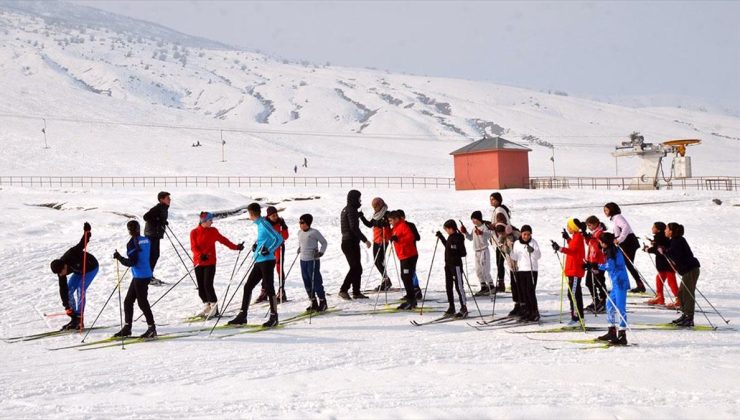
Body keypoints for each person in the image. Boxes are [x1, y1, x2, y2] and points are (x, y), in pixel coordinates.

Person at [227, 203, 284, 327]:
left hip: (267, 261)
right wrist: (256, 245)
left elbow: (279, 239)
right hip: (259, 260)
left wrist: (269, 249)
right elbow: (264, 239)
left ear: (251, 213)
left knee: (269, 288)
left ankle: (274, 317)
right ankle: (243, 315)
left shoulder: (263, 223)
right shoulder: (260, 224)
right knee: (248, 287)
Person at [190, 212, 243, 319]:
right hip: (198, 262)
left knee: (207, 284)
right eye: (210, 220)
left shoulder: (213, 231)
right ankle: (207, 305)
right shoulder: (194, 232)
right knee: (200, 286)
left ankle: (214, 307)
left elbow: (224, 240)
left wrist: (236, 247)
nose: (212, 222)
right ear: (203, 221)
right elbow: (193, 247)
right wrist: (200, 256)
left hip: (210, 262)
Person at [49, 222, 98, 330]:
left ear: (64, 265)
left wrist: (87, 232)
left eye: (62, 272)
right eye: (59, 274)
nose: (62, 275)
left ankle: (80, 318)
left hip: (91, 268)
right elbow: (63, 289)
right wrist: (67, 306)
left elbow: (82, 243)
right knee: (69, 290)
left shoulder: (71, 254)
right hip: (79, 272)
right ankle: (75, 318)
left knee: (81, 289)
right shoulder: (60, 271)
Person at [113, 220, 157, 338]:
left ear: (129, 231)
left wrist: (119, 258)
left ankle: (152, 329)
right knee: (128, 301)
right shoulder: (146, 240)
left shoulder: (132, 243)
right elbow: (152, 255)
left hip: (140, 276)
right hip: (145, 274)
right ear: (139, 228)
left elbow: (131, 262)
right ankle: (127, 328)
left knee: (142, 302)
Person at [660, 223, 701, 327]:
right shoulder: (674, 241)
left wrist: (665, 252)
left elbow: (676, 256)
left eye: (666, 229)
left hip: (690, 269)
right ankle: (685, 315)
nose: (665, 230)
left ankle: (689, 317)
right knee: (681, 293)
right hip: (687, 270)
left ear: (671, 231)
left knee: (688, 293)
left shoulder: (677, 241)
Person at [593, 232, 629, 345]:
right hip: (616, 283)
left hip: (620, 283)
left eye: (600, 242)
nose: (599, 243)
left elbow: (610, 266)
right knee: (609, 304)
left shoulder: (611, 251)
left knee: (620, 308)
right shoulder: (610, 250)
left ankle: (622, 335)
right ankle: (612, 331)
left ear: (604, 243)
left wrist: (596, 266)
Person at [604, 202, 645, 293]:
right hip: (625, 242)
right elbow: (618, 231)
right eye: (604, 210)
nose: (605, 212)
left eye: (606, 210)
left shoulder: (618, 217)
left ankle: (639, 284)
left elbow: (625, 227)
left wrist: (620, 239)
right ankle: (637, 284)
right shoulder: (615, 219)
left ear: (612, 210)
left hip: (629, 242)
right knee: (627, 264)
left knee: (628, 263)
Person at [551, 218, 585, 326]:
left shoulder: (578, 237)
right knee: (572, 294)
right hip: (571, 269)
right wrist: (568, 238)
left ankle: (577, 318)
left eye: (569, 226)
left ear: (574, 227)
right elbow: (573, 246)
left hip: (575, 270)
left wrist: (560, 248)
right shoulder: (575, 236)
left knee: (573, 294)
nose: (568, 228)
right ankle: (576, 316)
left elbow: (573, 251)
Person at [338, 190, 372, 300]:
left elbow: (350, 222)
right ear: (354, 198)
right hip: (350, 242)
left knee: (358, 268)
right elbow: (353, 228)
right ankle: (343, 290)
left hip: (349, 242)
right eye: (358, 198)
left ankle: (356, 292)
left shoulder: (347, 209)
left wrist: (358, 215)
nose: (360, 200)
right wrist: (365, 240)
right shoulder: (351, 210)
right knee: (355, 267)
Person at [255, 206, 290, 304]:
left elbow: (285, 236)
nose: (275, 217)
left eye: (276, 215)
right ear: (268, 216)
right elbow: (261, 236)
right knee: (265, 269)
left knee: (279, 268)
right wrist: (257, 244)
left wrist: (284, 228)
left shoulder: (280, 222)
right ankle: (264, 290)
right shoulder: (265, 223)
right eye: (273, 215)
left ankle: (281, 291)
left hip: (279, 248)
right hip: (268, 249)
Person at [435, 220, 468, 318]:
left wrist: (455, 250)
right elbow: (448, 246)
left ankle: (464, 307)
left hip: (456, 266)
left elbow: (463, 253)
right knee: (448, 286)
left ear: (451, 228)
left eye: (446, 229)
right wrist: (441, 237)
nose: (446, 231)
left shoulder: (459, 237)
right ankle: (451, 306)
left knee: (459, 287)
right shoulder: (450, 237)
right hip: (448, 265)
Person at [359, 197, 393, 291]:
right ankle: (385, 280)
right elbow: (370, 224)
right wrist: (361, 217)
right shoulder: (376, 215)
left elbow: (389, 223)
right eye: (374, 206)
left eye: (376, 206)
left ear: (381, 204)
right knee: (377, 261)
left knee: (379, 261)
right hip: (376, 240)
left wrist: (384, 223)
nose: (375, 208)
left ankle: (386, 280)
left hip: (383, 240)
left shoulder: (386, 213)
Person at [296, 214, 328, 312]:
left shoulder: (314, 232)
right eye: (300, 222)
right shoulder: (299, 232)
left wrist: (320, 252)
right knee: (306, 281)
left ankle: (323, 302)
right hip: (303, 260)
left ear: (308, 223)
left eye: (302, 222)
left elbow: (324, 242)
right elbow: (301, 243)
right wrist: (300, 248)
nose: (300, 224)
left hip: (313, 260)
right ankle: (313, 302)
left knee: (315, 280)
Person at [509, 225, 541, 321]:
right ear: (521, 234)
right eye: (524, 234)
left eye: (528, 234)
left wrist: (533, 251)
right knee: (523, 292)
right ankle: (527, 311)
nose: (526, 236)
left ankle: (534, 311)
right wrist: (509, 252)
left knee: (530, 292)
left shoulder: (533, 242)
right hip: (521, 270)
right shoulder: (517, 243)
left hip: (531, 270)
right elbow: (514, 257)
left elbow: (538, 255)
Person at [388, 210, 419, 310]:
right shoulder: (396, 227)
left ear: (397, 219)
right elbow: (391, 235)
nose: (390, 222)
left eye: (391, 220)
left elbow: (411, 237)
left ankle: (411, 300)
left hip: (409, 255)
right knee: (405, 277)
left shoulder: (403, 225)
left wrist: (398, 239)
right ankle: (411, 299)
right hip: (403, 256)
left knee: (407, 277)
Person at [644, 222, 678, 306]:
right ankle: (660, 297)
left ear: (658, 229)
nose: (652, 228)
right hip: (663, 263)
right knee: (659, 279)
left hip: (667, 263)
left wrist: (648, 249)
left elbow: (658, 250)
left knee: (671, 281)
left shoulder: (659, 237)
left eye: (653, 227)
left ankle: (679, 298)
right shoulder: (662, 236)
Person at [461, 211, 494, 296]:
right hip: (476, 251)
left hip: (484, 250)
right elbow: (470, 238)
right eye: (472, 219)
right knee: (478, 270)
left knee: (485, 269)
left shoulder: (484, 227)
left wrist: (482, 233)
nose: (473, 221)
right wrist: (465, 232)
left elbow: (490, 235)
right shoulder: (474, 228)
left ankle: (491, 286)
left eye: (474, 219)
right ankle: (483, 286)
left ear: (479, 218)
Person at [143, 191, 170, 286]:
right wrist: (158, 220)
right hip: (151, 234)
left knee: (155, 255)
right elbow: (146, 217)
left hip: (155, 234)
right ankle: (147, 276)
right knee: (152, 255)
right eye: (167, 198)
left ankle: (149, 275)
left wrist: (163, 222)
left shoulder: (164, 208)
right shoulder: (157, 208)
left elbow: (158, 218)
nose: (169, 200)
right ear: (161, 199)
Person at [397, 209, 423, 300]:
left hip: (411, 252)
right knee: (405, 275)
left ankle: (416, 290)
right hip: (402, 253)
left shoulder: (410, 225)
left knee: (411, 273)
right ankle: (411, 292)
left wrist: (407, 237)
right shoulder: (397, 227)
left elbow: (417, 237)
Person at [583, 216, 608, 313]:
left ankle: (603, 301)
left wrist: (593, 262)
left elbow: (597, 248)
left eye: (589, 225)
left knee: (598, 281)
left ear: (595, 224)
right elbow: (589, 244)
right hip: (592, 261)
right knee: (589, 282)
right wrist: (586, 236)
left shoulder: (600, 233)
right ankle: (596, 300)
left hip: (598, 262)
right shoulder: (595, 233)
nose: (589, 227)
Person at [488, 192, 511, 292]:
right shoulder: (498, 210)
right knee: (500, 262)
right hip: (501, 240)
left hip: (502, 241)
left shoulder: (499, 210)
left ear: (498, 200)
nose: (491, 201)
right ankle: (501, 283)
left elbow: (501, 224)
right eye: (490, 199)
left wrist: (491, 226)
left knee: (501, 262)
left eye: (493, 199)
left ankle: (501, 284)